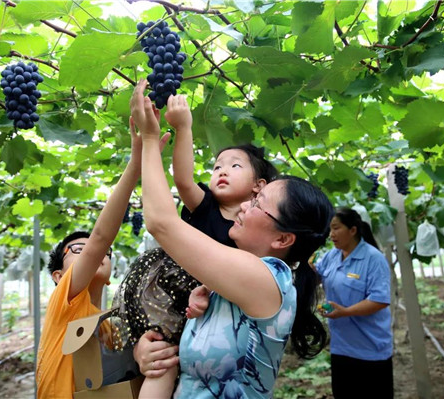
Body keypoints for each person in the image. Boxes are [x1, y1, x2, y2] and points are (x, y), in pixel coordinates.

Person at [129, 79, 333, 398]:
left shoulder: (269, 281)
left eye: (257, 202)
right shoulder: (220, 290)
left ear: (283, 239)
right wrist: (151, 352)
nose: (245, 204)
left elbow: (160, 223)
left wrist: (151, 139)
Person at [112, 94, 278, 396]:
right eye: (217, 167)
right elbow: (184, 180)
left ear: (259, 186)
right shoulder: (205, 207)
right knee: (163, 359)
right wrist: (183, 127)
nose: (221, 171)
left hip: (197, 306)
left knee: (169, 361)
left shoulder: (255, 240)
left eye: (235, 166)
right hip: (166, 294)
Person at [35, 117, 170, 399]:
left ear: (110, 281)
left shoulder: (109, 326)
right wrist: (136, 164)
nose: (93, 253)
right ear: (58, 278)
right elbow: (99, 239)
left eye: (103, 254)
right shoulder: (65, 305)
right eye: (77, 250)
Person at [315, 207, 393, 398]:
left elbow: (379, 300)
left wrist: (345, 311)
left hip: (371, 350)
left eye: (336, 228)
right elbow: (316, 276)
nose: (331, 234)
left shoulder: (373, 259)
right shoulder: (331, 256)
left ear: (353, 230)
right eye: (330, 229)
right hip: (341, 348)